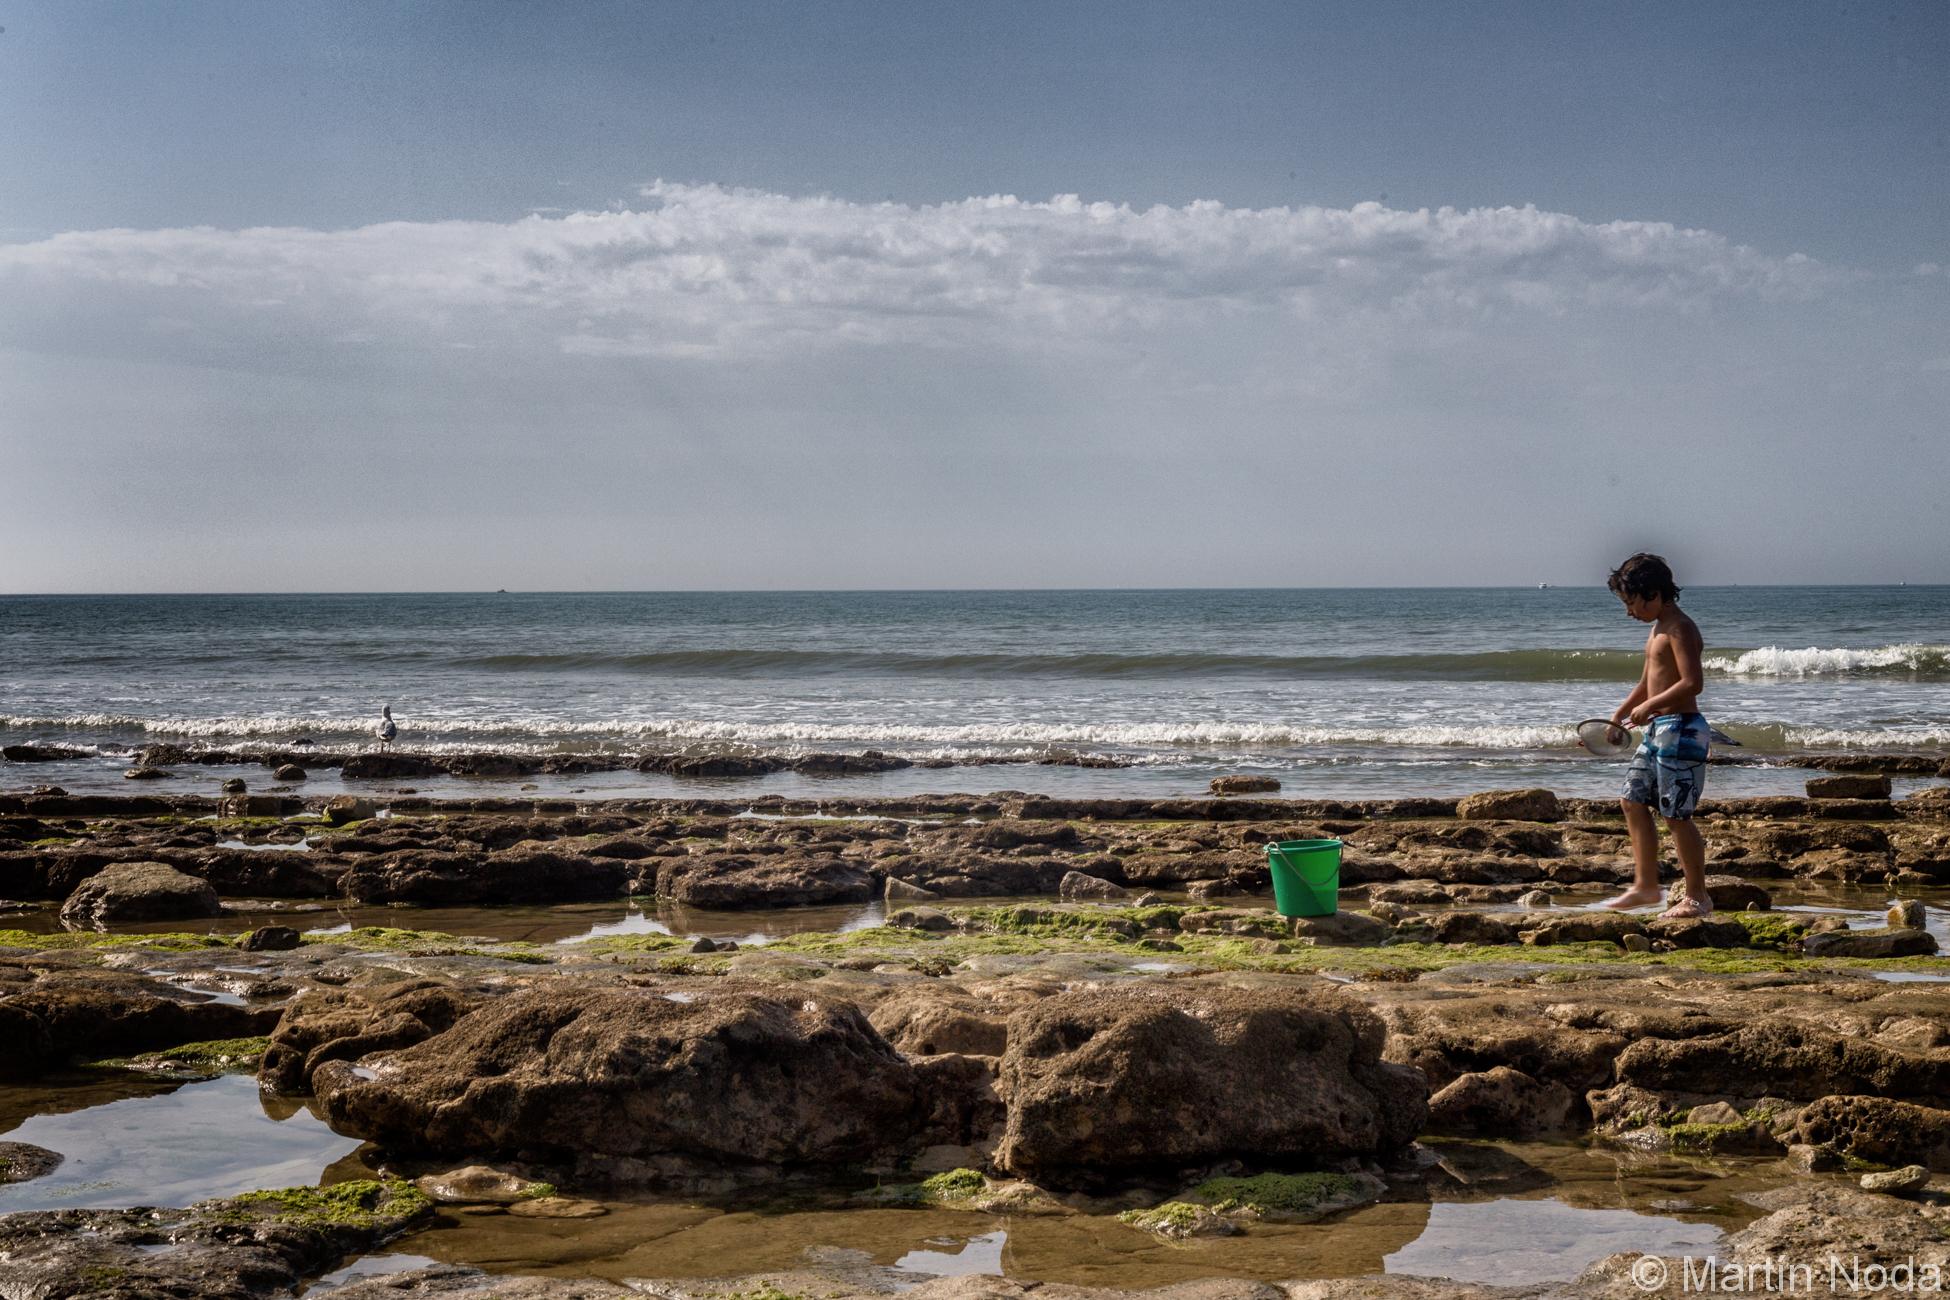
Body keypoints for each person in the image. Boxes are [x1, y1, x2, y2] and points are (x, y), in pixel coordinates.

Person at [1600, 553, 1713, 917]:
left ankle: (1697, 897)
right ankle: (1646, 886)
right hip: (1658, 730)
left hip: (1682, 729)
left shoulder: (1680, 628)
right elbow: (1646, 683)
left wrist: (1650, 706)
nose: (1628, 612)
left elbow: (1692, 683)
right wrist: (1619, 715)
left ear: (1653, 594)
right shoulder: (1657, 629)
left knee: (1676, 815)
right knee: (1632, 800)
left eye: (1631, 602)